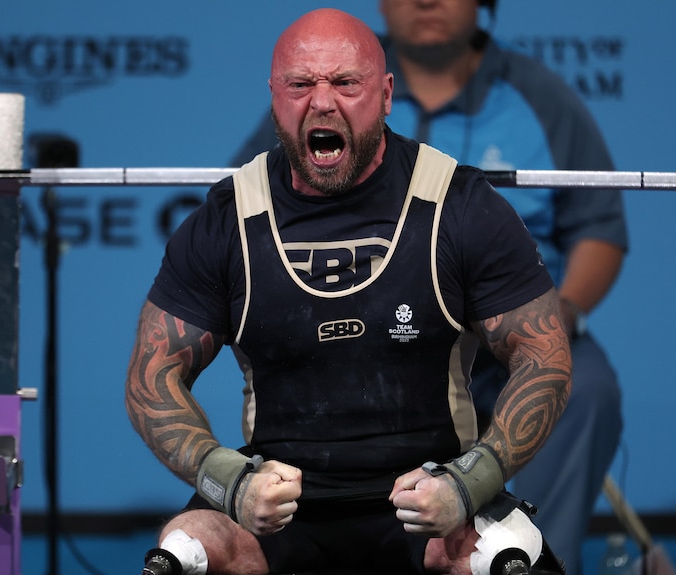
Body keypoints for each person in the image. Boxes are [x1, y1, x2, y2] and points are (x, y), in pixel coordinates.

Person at [126, 8, 571, 575]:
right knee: (185, 547)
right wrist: (229, 480)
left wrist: (470, 482)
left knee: (499, 560)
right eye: (300, 84)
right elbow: (150, 379)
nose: (321, 102)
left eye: (345, 82)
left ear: (385, 95)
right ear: (274, 97)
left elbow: (544, 357)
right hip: (277, 512)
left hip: (429, 504)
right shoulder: (226, 220)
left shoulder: (461, 207)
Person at [229, 2, 627, 573]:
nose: (427, 1)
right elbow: (255, 215)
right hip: (389, 343)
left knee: (582, 385)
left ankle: (520, 555)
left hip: (504, 328)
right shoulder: (326, 90)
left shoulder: (543, 98)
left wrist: (554, 316)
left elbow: (600, 229)